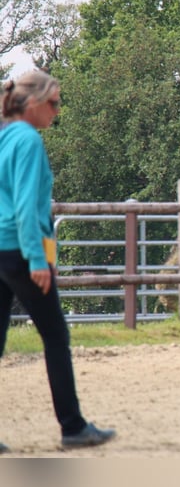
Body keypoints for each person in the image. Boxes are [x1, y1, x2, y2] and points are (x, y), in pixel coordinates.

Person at [0, 70, 116, 451]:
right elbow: (28, 207)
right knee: (55, 336)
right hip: (19, 250)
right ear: (31, 103)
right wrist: (39, 258)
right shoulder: (27, 141)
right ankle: (72, 426)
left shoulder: (2, 137)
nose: (57, 111)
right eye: (53, 103)